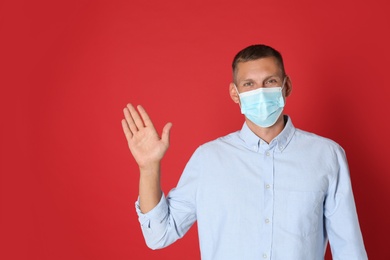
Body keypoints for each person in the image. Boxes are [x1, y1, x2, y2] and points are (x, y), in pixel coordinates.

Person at [121, 44, 368, 260]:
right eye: (249, 84)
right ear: (235, 93)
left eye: (270, 81)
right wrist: (149, 168)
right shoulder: (208, 159)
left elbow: (350, 251)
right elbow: (159, 235)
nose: (260, 91)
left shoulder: (327, 156)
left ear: (286, 86)